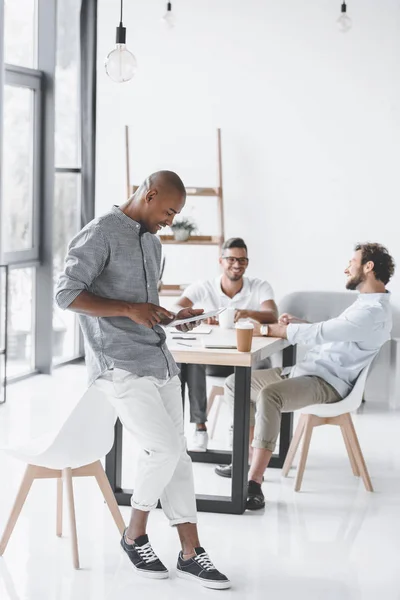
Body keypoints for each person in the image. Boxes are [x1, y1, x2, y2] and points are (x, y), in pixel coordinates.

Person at [55, 171, 230, 589]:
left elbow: (144, 305)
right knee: (164, 448)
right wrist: (130, 311)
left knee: (179, 457)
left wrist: (170, 316)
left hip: (160, 361)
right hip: (118, 364)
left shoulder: (152, 242)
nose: (171, 220)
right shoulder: (99, 233)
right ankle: (134, 534)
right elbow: (66, 294)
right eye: (169, 210)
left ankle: (190, 552)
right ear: (149, 195)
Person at [221, 243, 395, 510]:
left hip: (327, 383)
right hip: (307, 372)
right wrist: (300, 324)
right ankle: (244, 458)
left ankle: (254, 483)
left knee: (270, 395)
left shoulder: (372, 312)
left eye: (352, 261)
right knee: (235, 384)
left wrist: (268, 330)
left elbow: (324, 334)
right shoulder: (365, 304)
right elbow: (332, 333)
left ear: (368, 266)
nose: (346, 268)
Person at [175, 237, 278, 451]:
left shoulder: (259, 286)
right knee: (192, 363)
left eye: (242, 260)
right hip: (216, 358)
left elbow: (272, 315)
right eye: (231, 259)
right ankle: (200, 426)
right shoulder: (204, 286)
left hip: (247, 357)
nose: (237, 264)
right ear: (221, 261)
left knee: (259, 368)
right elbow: (176, 308)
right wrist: (201, 318)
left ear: (247, 263)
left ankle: (240, 431)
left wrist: (248, 313)